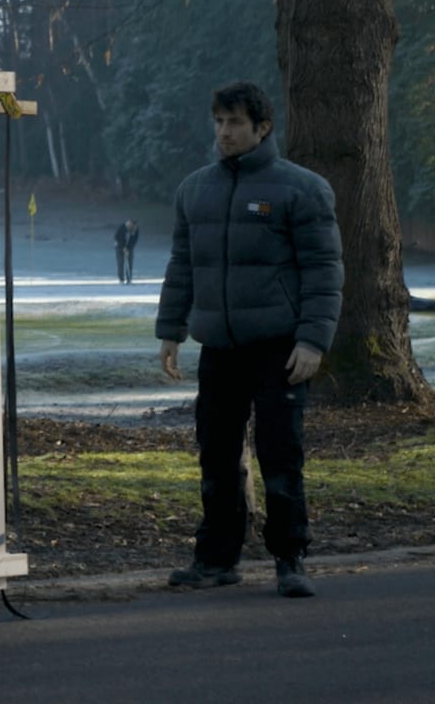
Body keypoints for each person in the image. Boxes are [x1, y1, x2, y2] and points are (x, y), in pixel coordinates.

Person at [156, 81, 342, 599]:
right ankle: (216, 559)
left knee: (280, 452)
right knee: (216, 453)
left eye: (235, 123)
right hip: (218, 346)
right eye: (218, 121)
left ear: (262, 128)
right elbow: (183, 266)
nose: (224, 132)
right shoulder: (195, 189)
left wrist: (312, 340)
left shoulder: (302, 189)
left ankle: (290, 558)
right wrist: (170, 330)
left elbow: (323, 271)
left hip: (279, 347)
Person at [113, 219, 140, 283]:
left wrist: (128, 248)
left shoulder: (135, 229)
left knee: (130, 262)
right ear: (129, 224)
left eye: (134, 227)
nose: (133, 228)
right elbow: (117, 238)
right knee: (120, 262)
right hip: (119, 247)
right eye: (131, 226)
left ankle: (129, 278)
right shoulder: (122, 228)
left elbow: (134, 240)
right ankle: (121, 279)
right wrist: (123, 248)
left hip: (129, 247)